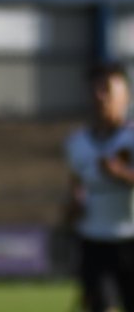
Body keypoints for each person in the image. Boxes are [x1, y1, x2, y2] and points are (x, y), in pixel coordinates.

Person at [65, 62, 134, 312]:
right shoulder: (76, 143)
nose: (99, 96)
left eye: (106, 89)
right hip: (94, 241)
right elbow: (76, 187)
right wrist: (72, 210)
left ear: (125, 94)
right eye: (95, 89)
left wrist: (120, 173)